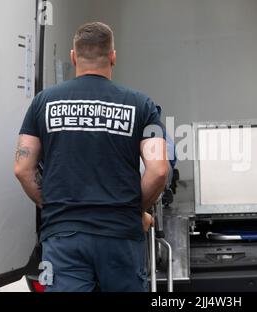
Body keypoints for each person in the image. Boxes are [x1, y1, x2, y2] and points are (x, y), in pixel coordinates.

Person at [14, 22, 169, 292]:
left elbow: (22, 168)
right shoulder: (140, 104)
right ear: (113, 57)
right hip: (120, 235)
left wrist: (53, 207)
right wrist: (133, 210)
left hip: (63, 239)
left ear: (74, 57)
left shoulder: (43, 102)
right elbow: (158, 170)